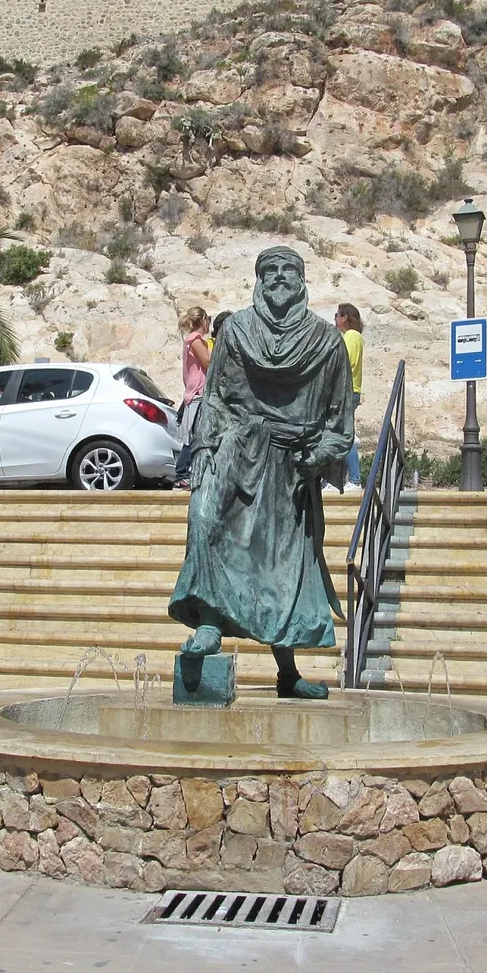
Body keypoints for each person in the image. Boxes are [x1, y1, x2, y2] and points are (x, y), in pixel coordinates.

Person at [169, 247, 353, 699]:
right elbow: (214, 396)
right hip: (235, 448)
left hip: (290, 466)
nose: (278, 277)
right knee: (204, 522)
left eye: (287, 269)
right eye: (268, 270)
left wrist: (318, 454)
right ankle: (209, 624)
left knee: (280, 570)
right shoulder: (235, 332)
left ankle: (287, 676)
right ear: (257, 278)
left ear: (302, 278)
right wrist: (207, 450)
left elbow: (340, 424)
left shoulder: (326, 343)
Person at [173, 307, 212, 487]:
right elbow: (207, 363)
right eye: (208, 319)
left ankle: (185, 473)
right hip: (198, 393)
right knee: (194, 436)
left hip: (195, 393)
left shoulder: (191, 341)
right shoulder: (195, 340)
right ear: (203, 320)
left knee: (195, 435)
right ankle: (182, 473)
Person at [333, 303, 365, 493]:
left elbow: (346, 360)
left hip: (346, 390)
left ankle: (354, 479)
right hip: (350, 390)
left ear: (345, 318)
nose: (335, 319)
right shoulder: (353, 337)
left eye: (337, 315)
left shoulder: (352, 336)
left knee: (345, 435)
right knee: (343, 433)